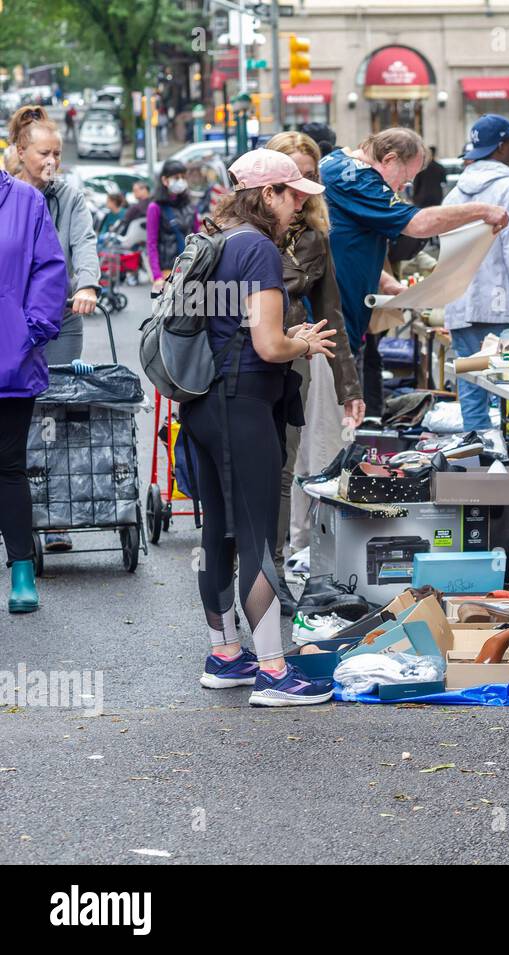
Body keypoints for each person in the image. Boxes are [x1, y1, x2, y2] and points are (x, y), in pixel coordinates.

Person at [184, 148, 339, 706]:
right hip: (245, 404)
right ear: (266, 194)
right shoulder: (259, 250)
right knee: (255, 537)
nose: (299, 203)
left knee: (217, 534)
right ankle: (274, 672)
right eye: (292, 193)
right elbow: (268, 344)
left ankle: (225, 655)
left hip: (203, 405)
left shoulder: (212, 238)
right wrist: (303, 341)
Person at [319, 127, 509, 418]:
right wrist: (482, 211)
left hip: (336, 318)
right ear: (390, 159)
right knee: (331, 431)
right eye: (405, 179)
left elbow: (342, 240)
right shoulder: (360, 179)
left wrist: (384, 280)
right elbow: (417, 224)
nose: (401, 189)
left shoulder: (335, 162)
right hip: (333, 323)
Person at [263, 131, 364, 607]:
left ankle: (275, 570)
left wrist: (351, 386)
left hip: (295, 360)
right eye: (292, 178)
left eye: (309, 176)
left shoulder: (317, 240)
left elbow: (332, 315)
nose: (302, 188)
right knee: (246, 467)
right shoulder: (240, 233)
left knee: (285, 467)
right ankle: (238, 563)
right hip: (242, 361)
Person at [7, 105, 100, 553]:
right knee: (16, 428)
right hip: (10, 331)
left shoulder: (68, 197)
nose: (52, 162)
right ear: (20, 152)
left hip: (60, 320)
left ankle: (57, 518)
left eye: (57, 154)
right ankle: (17, 517)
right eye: (44, 153)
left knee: (57, 420)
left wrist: (88, 285)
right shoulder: (9, 198)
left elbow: (83, 241)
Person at [442, 115, 509, 438]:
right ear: (500, 146)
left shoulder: (453, 195)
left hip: (460, 308)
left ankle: (479, 474)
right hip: (502, 310)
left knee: (472, 398)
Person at [0, 165, 68, 613]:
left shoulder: (26, 201)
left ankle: (22, 570)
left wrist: (29, 331)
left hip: (10, 360)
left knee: (8, 466)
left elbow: (49, 268)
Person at [147, 158, 200, 291]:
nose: (181, 181)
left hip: (191, 268)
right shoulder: (155, 207)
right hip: (168, 271)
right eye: (176, 177)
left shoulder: (190, 206)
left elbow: (197, 236)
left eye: (183, 177)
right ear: (165, 180)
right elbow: (151, 243)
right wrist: (157, 276)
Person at [411, 143, 447, 208]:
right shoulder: (440, 167)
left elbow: (416, 184)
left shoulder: (421, 167)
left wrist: (414, 197)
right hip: (436, 197)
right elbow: (444, 182)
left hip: (422, 197)